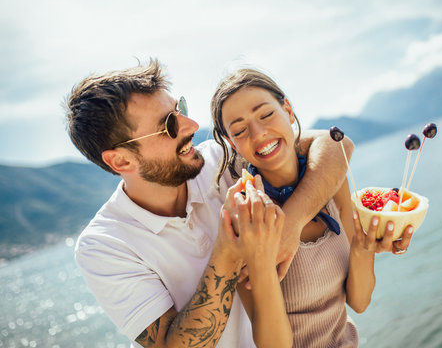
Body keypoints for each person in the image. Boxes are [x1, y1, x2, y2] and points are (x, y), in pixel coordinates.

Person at [65, 59, 357, 348]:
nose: (191, 125)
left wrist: (290, 226)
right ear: (121, 160)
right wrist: (227, 255)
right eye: (168, 125)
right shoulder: (104, 246)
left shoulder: (219, 160)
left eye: (179, 109)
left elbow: (335, 144)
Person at [210, 68, 414, 347]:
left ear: (288, 110)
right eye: (240, 130)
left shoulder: (332, 180)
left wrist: (364, 247)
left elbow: (360, 301)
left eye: (266, 114)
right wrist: (262, 263)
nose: (258, 134)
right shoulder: (246, 217)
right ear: (232, 143)